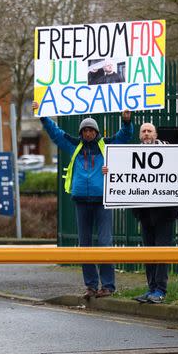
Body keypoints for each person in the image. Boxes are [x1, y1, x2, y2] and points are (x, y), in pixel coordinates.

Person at [33, 102, 134, 298]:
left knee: (105, 243)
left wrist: (127, 120)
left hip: (102, 199)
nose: (88, 133)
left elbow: (125, 136)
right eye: (85, 130)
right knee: (85, 245)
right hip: (81, 199)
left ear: (96, 132)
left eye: (91, 130)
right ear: (81, 133)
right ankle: (91, 286)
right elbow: (55, 133)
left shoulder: (106, 145)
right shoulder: (74, 145)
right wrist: (43, 116)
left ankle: (108, 286)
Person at [102, 122, 178, 304]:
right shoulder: (131, 153)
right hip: (144, 212)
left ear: (156, 134)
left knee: (161, 251)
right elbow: (121, 173)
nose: (147, 134)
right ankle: (151, 289)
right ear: (140, 136)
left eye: (150, 131)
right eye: (143, 131)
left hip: (165, 213)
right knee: (148, 252)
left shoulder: (170, 151)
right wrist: (109, 171)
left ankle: (160, 290)